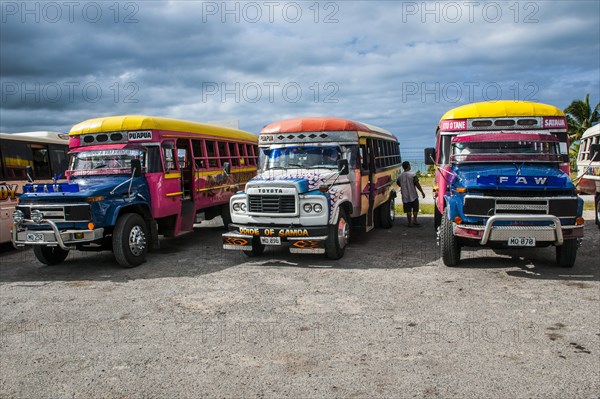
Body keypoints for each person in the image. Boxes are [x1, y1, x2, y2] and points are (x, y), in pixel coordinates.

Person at [397, 161, 425, 227]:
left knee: (408, 209)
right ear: (408, 166)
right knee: (415, 208)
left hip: (405, 195)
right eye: (409, 165)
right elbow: (417, 184)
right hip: (413, 194)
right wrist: (422, 192)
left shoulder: (400, 176)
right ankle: (414, 220)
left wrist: (403, 186)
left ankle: (409, 223)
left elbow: (398, 183)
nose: (410, 166)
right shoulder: (413, 174)